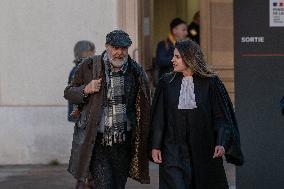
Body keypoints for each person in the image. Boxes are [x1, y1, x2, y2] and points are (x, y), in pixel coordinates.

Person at [150, 39, 244, 189]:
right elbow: (159, 118)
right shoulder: (166, 83)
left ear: (189, 58)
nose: (172, 60)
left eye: (177, 57)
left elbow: (221, 117)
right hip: (173, 149)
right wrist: (155, 146)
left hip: (204, 149)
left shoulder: (211, 83)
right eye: (173, 56)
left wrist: (221, 142)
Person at [64, 30, 151, 189]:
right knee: (104, 185)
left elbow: (145, 107)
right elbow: (69, 92)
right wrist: (86, 89)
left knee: (118, 185)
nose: (119, 53)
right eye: (115, 48)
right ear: (107, 47)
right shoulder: (89, 66)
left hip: (124, 141)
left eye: (123, 49)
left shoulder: (135, 71)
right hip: (98, 140)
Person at [68, 40, 95, 122]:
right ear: (84, 53)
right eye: (91, 51)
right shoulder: (81, 70)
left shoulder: (79, 69)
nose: (93, 54)